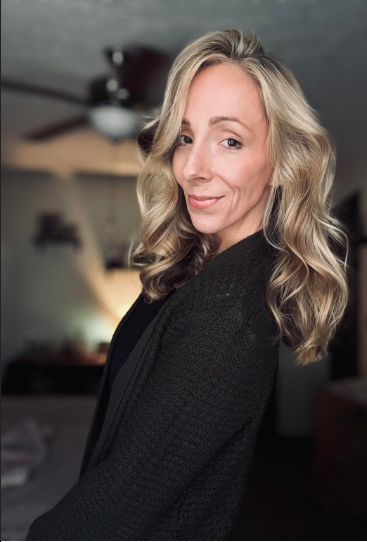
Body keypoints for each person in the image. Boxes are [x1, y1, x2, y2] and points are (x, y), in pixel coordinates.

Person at [26, 28, 348, 541]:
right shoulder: (201, 268)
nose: (192, 168)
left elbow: (119, 505)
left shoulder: (230, 309)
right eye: (184, 137)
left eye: (229, 140)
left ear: (281, 164)